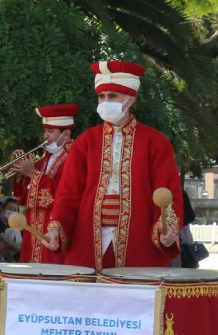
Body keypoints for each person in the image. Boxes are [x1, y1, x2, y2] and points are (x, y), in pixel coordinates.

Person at [46, 61, 180, 269]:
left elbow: (168, 192)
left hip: (140, 241)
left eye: (112, 96)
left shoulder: (155, 142)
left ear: (131, 100)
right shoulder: (85, 142)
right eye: (101, 96)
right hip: (88, 240)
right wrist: (56, 227)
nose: (105, 101)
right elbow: (68, 194)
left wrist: (167, 227)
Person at [10, 104, 76, 263]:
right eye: (45, 131)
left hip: (55, 225)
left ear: (66, 133)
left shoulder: (74, 157)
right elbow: (22, 198)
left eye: (51, 131)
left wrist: (32, 173)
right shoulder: (44, 160)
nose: (45, 136)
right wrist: (20, 173)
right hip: (33, 227)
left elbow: (64, 192)